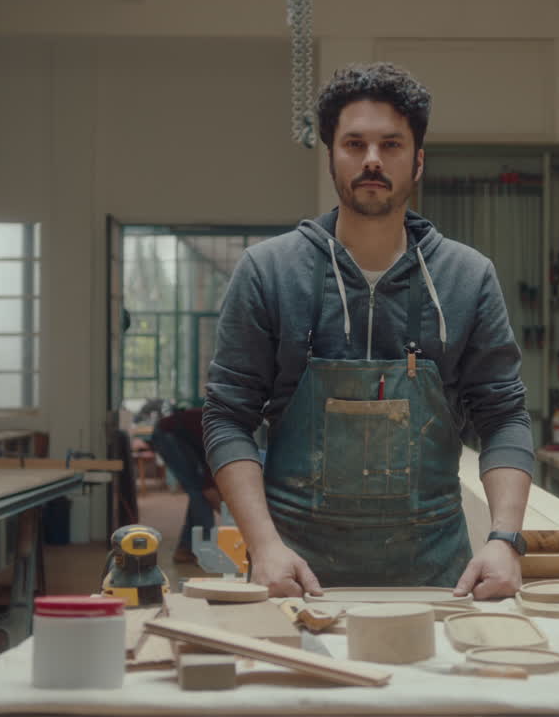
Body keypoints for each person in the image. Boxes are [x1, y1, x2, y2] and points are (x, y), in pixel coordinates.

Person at [203, 62, 533, 599]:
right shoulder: (269, 272)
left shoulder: (467, 278)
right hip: (293, 574)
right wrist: (262, 546)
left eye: (391, 145)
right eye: (354, 144)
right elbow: (226, 415)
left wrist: (504, 539)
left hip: (436, 579)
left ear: (418, 160)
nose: (372, 160)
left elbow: (504, 417)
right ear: (331, 155)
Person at [148, 406, 222, 564]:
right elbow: (209, 490)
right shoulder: (220, 436)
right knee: (198, 492)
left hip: (179, 433)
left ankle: (186, 549)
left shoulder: (224, 437)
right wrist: (230, 516)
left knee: (198, 493)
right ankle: (204, 550)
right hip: (168, 433)